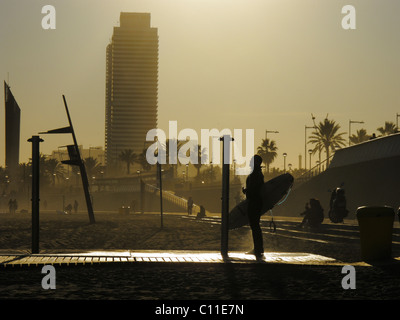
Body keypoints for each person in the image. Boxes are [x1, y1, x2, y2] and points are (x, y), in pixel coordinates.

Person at [242, 155, 264, 259]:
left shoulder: (255, 174)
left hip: (254, 202)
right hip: (256, 201)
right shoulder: (258, 173)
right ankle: (258, 248)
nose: (250, 162)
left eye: (252, 160)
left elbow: (255, 189)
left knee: (255, 226)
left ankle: (258, 249)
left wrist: (246, 191)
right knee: (255, 226)